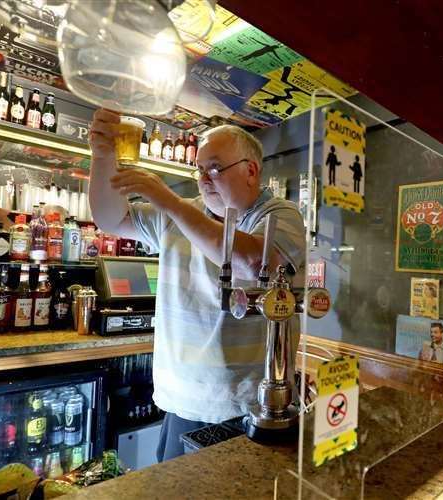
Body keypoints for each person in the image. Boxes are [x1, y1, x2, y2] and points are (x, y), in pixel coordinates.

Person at [88, 110, 306, 461]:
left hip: (247, 407)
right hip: (182, 401)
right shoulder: (178, 213)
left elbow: (252, 262)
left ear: (251, 170)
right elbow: (110, 218)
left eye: (215, 168)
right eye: (200, 169)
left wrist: (168, 200)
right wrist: (102, 157)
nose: (204, 179)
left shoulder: (280, 215)